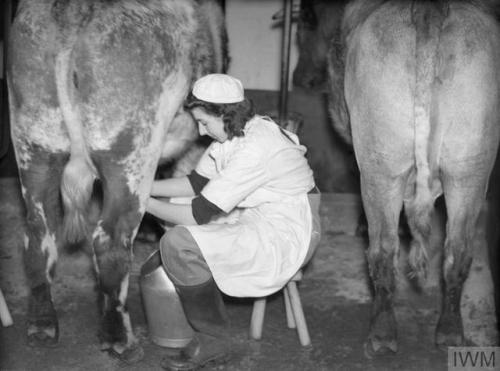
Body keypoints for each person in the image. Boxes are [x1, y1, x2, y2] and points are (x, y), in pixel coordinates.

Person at [146, 73, 321, 371]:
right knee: (176, 210)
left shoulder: (255, 146)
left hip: (287, 230)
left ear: (225, 114)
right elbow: (196, 184)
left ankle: (214, 339)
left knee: (178, 243)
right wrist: (141, 186)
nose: (201, 132)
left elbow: (197, 213)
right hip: (262, 212)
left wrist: (142, 203)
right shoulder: (235, 133)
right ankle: (200, 298)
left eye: (204, 122)